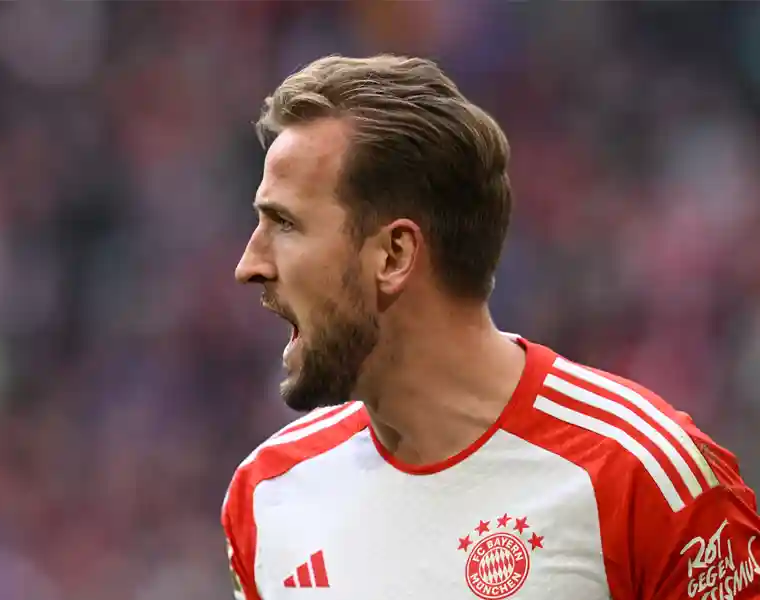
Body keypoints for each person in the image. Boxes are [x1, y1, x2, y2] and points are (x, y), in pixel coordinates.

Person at [222, 54, 760, 600]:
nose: (250, 264)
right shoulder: (266, 497)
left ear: (393, 255)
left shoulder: (643, 476)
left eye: (284, 224)